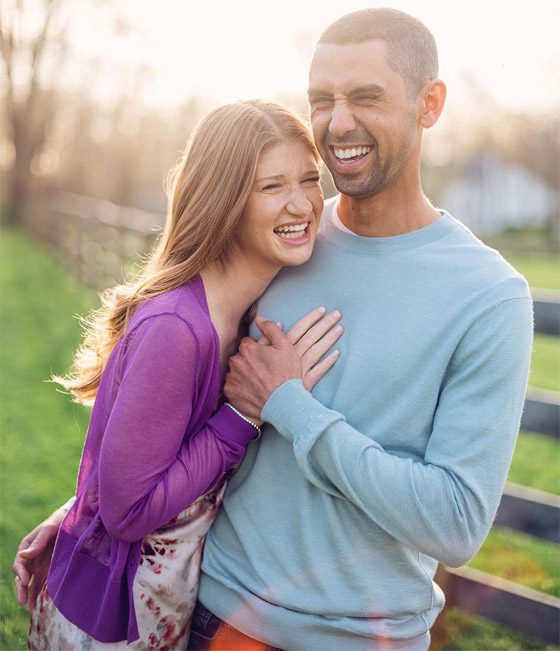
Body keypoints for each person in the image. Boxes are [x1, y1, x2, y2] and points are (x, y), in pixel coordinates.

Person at [14, 8, 534, 651]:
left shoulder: (488, 295)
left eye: (366, 97)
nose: (338, 122)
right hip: (214, 614)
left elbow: (456, 525)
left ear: (429, 104)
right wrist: (84, 515)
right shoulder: (286, 242)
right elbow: (180, 410)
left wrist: (291, 407)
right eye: (322, 100)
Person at [17, 99, 344, 649]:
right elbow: (127, 513)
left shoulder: (240, 311)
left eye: (310, 179)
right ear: (223, 201)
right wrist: (242, 414)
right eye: (270, 187)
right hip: (108, 620)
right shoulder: (177, 329)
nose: (301, 204)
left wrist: (77, 508)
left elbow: (137, 461)